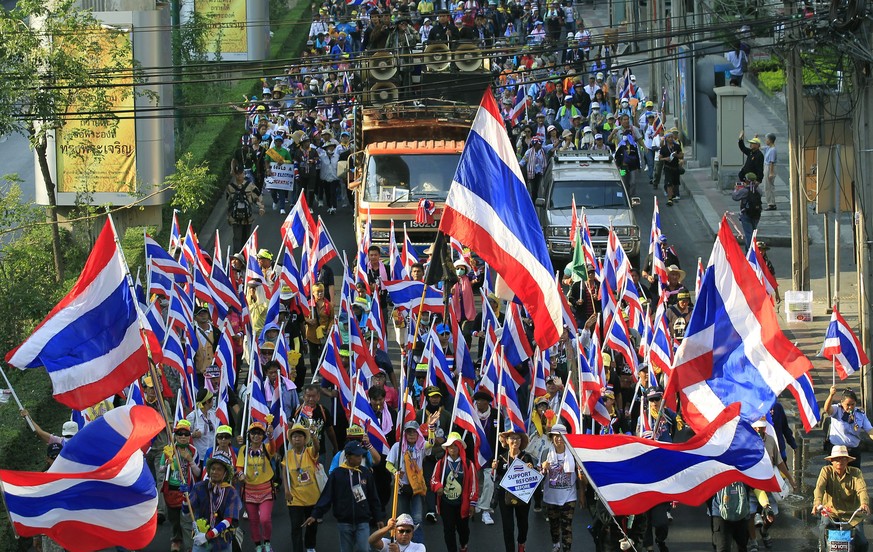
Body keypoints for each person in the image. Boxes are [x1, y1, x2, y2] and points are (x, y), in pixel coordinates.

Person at [304, 440, 384, 552]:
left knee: (364, 549)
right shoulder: (337, 474)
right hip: (344, 521)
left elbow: (373, 497)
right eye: (357, 455)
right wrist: (315, 514)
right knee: (346, 549)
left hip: (363, 521)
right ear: (348, 457)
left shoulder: (366, 473)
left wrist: (378, 517)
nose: (360, 458)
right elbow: (327, 496)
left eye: (361, 455)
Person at [813, 445, 870, 552]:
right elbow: (819, 488)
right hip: (831, 513)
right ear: (832, 461)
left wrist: (864, 504)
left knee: (861, 541)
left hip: (852, 514)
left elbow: (862, 489)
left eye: (843, 458)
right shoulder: (826, 471)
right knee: (823, 533)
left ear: (848, 460)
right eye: (836, 459)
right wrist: (817, 503)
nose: (840, 461)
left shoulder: (856, 473)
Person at [430, 432, 479, 552]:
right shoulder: (441, 464)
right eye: (450, 446)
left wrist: (472, 503)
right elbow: (433, 480)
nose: (453, 448)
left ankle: (463, 545)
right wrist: (438, 487)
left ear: (460, 447)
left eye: (456, 446)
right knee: (448, 530)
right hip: (446, 504)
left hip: (462, 504)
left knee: (464, 530)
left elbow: (473, 484)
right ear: (447, 448)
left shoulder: (468, 464)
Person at [161, 419, 202, 552]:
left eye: (186, 434)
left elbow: (198, 472)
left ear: (189, 436)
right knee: (174, 519)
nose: (183, 437)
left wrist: (190, 460)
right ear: (176, 435)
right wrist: (168, 462)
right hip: (172, 489)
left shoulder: (194, 451)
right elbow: (161, 469)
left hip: (188, 490)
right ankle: (176, 541)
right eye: (180, 434)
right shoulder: (169, 449)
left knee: (187, 520)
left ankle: (190, 546)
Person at [493, 429, 537, 552]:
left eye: (517, 438)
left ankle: (521, 543)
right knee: (508, 527)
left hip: (522, 496)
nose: (515, 441)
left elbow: (534, 478)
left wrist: (531, 469)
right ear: (507, 441)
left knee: (523, 524)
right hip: (505, 497)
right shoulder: (501, 458)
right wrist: (494, 469)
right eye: (512, 438)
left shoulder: (526, 457)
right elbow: (494, 479)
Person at [189, 452, 243, 552]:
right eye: (213, 469)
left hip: (222, 542)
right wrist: (185, 497)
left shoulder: (231, 492)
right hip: (200, 541)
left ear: (225, 473)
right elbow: (186, 511)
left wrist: (208, 536)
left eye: (219, 469)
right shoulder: (199, 487)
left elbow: (228, 520)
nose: (215, 472)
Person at [236, 421, 276, 552]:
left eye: (259, 433)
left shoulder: (266, 448)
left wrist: (271, 436)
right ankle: (258, 544)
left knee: (265, 519)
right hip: (249, 490)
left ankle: (267, 542)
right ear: (249, 435)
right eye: (253, 433)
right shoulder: (243, 450)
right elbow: (239, 467)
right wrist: (240, 474)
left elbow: (274, 449)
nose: (256, 436)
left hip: (266, 489)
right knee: (253, 520)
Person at [541, 424, 582, 552]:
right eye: (556, 436)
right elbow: (538, 477)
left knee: (567, 527)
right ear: (552, 437)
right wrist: (543, 468)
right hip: (551, 497)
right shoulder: (545, 453)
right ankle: (555, 544)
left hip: (569, 496)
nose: (559, 439)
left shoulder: (574, 454)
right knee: (554, 525)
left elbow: (580, 476)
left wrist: (582, 495)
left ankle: (566, 549)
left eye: (561, 436)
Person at [282, 423, 321, 552]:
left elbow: (317, 447)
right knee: (295, 527)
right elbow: (284, 473)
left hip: (312, 497)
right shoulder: (287, 455)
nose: (297, 439)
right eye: (294, 437)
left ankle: (310, 546)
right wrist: (286, 491)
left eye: (300, 436)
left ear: (305, 439)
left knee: (312, 525)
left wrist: (314, 436)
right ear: (291, 440)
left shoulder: (310, 452)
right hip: (295, 498)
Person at [387, 421, 428, 542]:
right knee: (403, 519)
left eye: (414, 432)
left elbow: (431, 445)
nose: (411, 435)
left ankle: (419, 546)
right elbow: (388, 464)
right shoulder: (397, 447)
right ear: (405, 434)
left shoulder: (421, 445)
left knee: (417, 519)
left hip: (417, 487)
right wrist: (395, 472)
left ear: (418, 434)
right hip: (402, 487)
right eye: (409, 432)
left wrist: (430, 429)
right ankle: (402, 544)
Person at [822, 386, 873, 468]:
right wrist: (831, 395)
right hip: (837, 452)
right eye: (847, 405)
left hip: (852, 451)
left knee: (855, 477)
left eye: (852, 404)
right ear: (842, 403)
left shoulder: (860, 414)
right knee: (834, 477)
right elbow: (827, 409)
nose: (850, 407)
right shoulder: (837, 410)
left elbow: (870, 430)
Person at [227, 158, 265, 253]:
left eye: (242, 173)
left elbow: (258, 196)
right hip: (235, 217)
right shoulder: (230, 187)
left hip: (248, 217)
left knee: (246, 238)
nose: (240, 175)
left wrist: (261, 207)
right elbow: (229, 203)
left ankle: (245, 257)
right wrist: (228, 216)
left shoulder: (250, 185)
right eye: (238, 173)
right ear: (235, 174)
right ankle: (236, 259)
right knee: (237, 238)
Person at [731, 173, 763, 252]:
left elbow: (735, 197)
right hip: (756, 215)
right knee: (753, 233)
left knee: (748, 234)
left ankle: (750, 252)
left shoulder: (744, 191)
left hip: (746, 215)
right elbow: (761, 194)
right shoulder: (758, 190)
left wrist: (736, 189)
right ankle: (751, 251)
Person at [659, 129, 684, 206]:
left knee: (676, 183)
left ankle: (675, 195)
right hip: (667, 167)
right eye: (669, 137)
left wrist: (676, 155)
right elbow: (660, 158)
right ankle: (670, 199)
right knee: (669, 183)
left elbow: (681, 155)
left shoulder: (677, 146)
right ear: (666, 138)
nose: (670, 139)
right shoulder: (663, 148)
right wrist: (665, 159)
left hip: (675, 167)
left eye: (671, 137)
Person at [763, 133, 777, 210]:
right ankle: (771, 202)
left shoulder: (772, 150)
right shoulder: (768, 148)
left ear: (770, 140)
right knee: (768, 185)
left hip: (769, 167)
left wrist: (771, 172)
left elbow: (772, 162)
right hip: (767, 166)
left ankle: (771, 203)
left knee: (768, 186)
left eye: (767, 139)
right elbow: (760, 147)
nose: (766, 140)